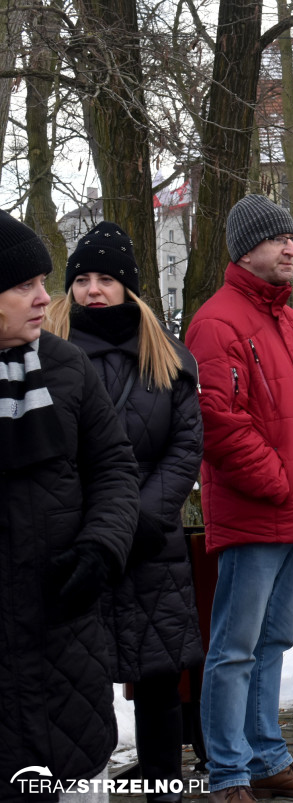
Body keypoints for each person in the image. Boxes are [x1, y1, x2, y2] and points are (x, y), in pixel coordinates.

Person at [185, 195, 293, 802]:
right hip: (258, 511)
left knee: (273, 641)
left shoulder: (292, 320)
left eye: (291, 238)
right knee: (234, 647)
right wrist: (278, 481)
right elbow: (218, 422)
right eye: (275, 239)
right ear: (243, 248)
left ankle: (266, 757)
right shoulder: (217, 322)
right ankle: (228, 773)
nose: (288, 248)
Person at [46, 222, 203, 802]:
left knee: (159, 679)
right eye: (82, 279)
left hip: (151, 545)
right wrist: (98, 530)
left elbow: (186, 445)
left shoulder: (165, 356)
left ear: (128, 287)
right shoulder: (48, 355)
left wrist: (136, 520)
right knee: (80, 681)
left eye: (105, 279)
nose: (92, 290)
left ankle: (164, 786)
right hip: (79, 543)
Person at [0, 211, 139, 801]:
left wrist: (100, 548)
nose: (44, 298)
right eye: (24, 285)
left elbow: (114, 470)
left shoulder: (66, 366)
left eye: (43, 282)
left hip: (59, 623)